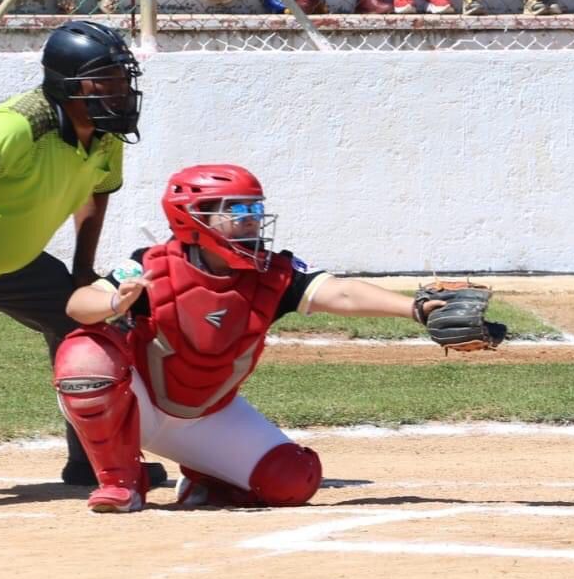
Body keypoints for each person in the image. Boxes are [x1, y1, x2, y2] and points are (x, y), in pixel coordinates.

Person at [52, 164, 459, 514]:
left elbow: (342, 293)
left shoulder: (272, 272)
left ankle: (207, 479)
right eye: (237, 210)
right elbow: (77, 305)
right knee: (83, 354)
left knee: (292, 480)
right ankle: (122, 482)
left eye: (255, 209)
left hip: (206, 413)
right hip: (136, 406)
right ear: (192, 217)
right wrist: (114, 300)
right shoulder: (150, 265)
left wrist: (416, 308)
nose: (251, 220)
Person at [0, 21, 164, 491]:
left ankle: (94, 461)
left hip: (17, 265)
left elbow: (97, 192)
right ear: (69, 85)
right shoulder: (15, 127)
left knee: (86, 323)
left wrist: (83, 270)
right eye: (107, 79)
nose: (121, 91)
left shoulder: (105, 131)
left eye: (123, 79)